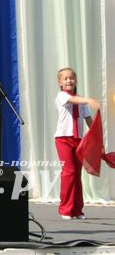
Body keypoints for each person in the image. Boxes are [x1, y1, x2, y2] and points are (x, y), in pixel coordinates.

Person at [55, 67, 99, 220]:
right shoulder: (62, 96)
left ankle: (77, 210)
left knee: (77, 174)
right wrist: (89, 100)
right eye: (65, 78)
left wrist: (96, 137)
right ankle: (65, 209)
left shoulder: (81, 100)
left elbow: (88, 119)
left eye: (71, 78)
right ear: (60, 83)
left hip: (78, 139)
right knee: (69, 172)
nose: (69, 81)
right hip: (63, 139)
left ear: (76, 81)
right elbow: (72, 100)